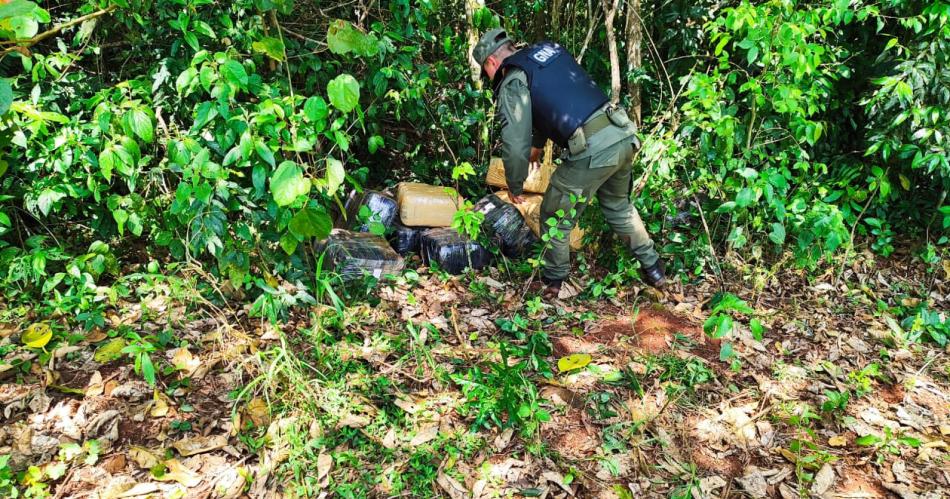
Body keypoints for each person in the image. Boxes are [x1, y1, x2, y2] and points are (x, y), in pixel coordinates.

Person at [472, 28, 666, 298]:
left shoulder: (513, 79)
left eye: (487, 72)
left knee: (553, 214)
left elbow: (515, 143)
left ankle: (553, 283)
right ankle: (655, 270)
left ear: (491, 63)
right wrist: (538, 149)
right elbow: (551, 101)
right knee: (619, 207)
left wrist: (514, 184)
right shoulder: (547, 52)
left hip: (592, 147)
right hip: (621, 132)